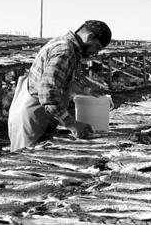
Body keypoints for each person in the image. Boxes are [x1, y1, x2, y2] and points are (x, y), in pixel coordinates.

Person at [8, 20, 112, 152]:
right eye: (97, 47)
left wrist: (87, 90)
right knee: (25, 165)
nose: (95, 53)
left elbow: (62, 81)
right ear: (90, 37)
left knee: (39, 162)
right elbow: (48, 93)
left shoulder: (67, 46)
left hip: (40, 114)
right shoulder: (65, 51)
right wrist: (72, 124)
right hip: (32, 119)